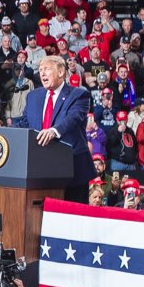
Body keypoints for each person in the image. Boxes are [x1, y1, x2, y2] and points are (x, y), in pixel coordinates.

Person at [23, 53, 96, 194]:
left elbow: (73, 118)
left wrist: (54, 131)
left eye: (47, 69)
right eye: (40, 70)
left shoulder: (79, 94)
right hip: (40, 170)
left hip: (73, 170)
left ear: (61, 72)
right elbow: (24, 123)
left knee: (73, 214)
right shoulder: (33, 96)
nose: (42, 73)